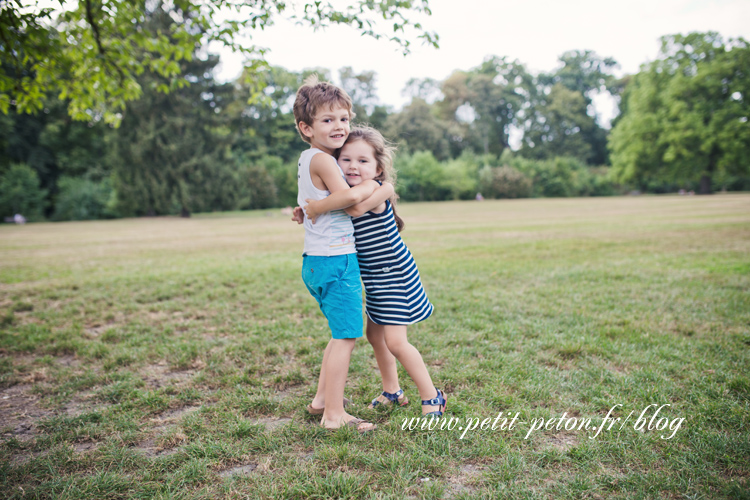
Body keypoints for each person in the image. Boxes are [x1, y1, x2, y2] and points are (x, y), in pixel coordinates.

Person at [304, 126, 447, 419]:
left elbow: (355, 210)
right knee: (374, 336)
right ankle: (392, 391)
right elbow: (340, 206)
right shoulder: (343, 193)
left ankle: (432, 395)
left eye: (363, 161)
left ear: (378, 167)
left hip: (396, 276)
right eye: (345, 159)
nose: (354, 166)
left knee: (395, 342)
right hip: (375, 279)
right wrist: (306, 210)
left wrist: (385, 187)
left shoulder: (371, 189)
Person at [292, 76, 393, 433]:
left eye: (343, 119)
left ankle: (322, 399)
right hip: (336, 261)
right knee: (346, 337)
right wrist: (380, 186)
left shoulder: (311, 159)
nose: (339, 127)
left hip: (319, 261)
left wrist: (310, 207)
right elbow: (351, 203)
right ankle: (334, 415)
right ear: (306, 128)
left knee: (339, 333)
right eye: (327, 120)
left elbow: (320, 197)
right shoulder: (323, 160)